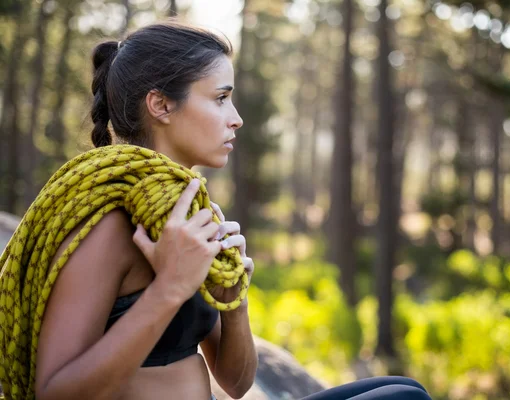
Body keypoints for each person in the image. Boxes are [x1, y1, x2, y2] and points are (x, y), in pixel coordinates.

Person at [2, 22, 431, 400]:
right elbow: (53, 391)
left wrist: (233, 299)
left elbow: (236, 382)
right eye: (221, 98)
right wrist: (170, 287)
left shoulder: (185, 213)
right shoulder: (111, 222)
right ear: (161, 105)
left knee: (405, 389)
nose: (237, 118)